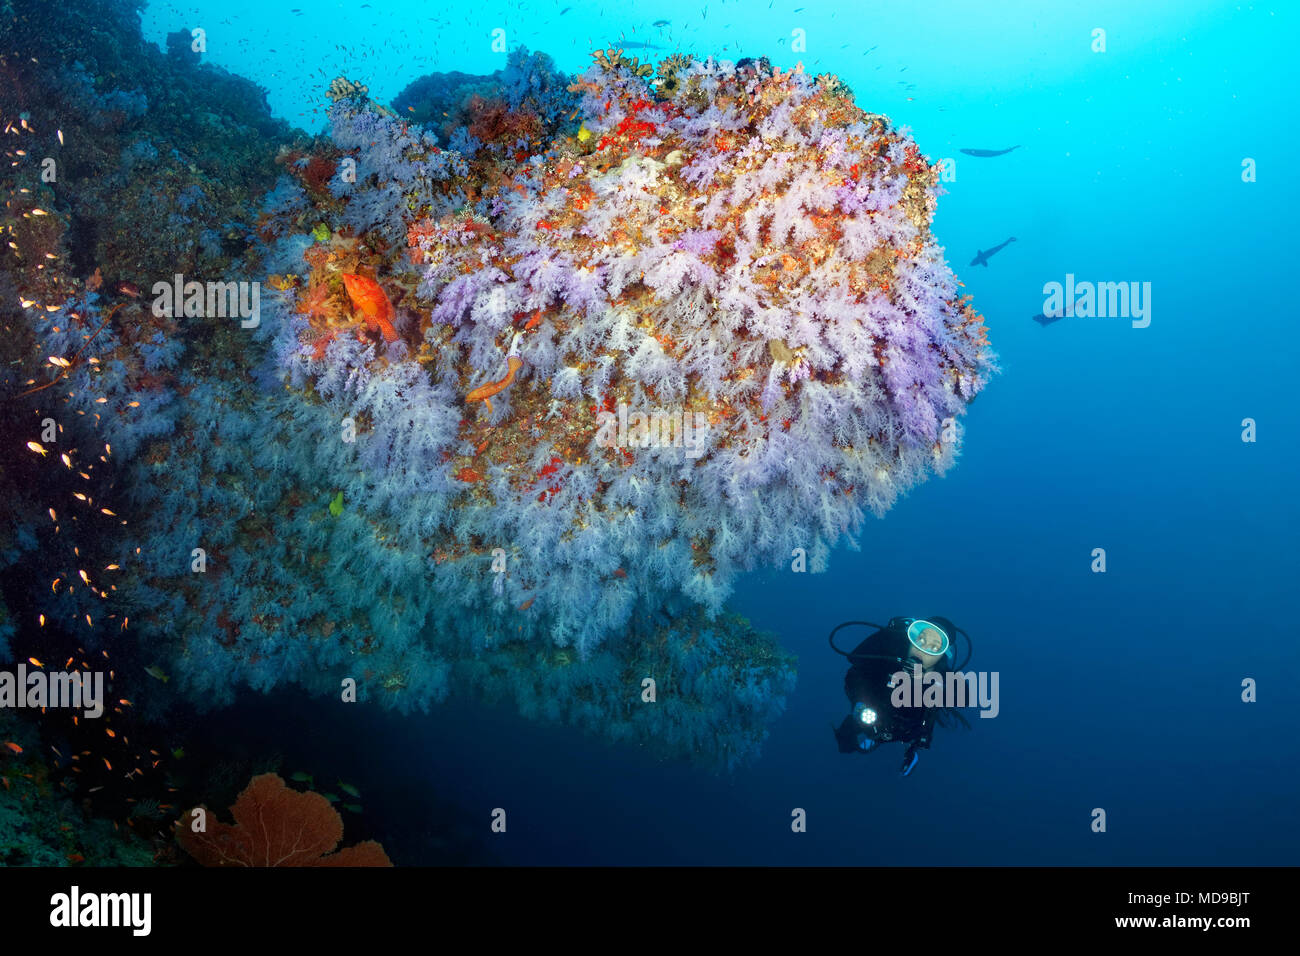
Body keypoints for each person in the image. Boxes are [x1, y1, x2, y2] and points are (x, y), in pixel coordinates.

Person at [830, 616, 972, 776]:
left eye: (934, 647)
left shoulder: (942, 676)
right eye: (921, 639)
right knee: (845, 745)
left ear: (944, 654)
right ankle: (874, 739)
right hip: (872, 715)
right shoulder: (889, 654)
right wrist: (858, 702)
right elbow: (854, 675)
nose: (922, 648)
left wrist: (925, 682)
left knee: (910, 737)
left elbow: (965, 698)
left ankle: (910, 752)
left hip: (909, 729)